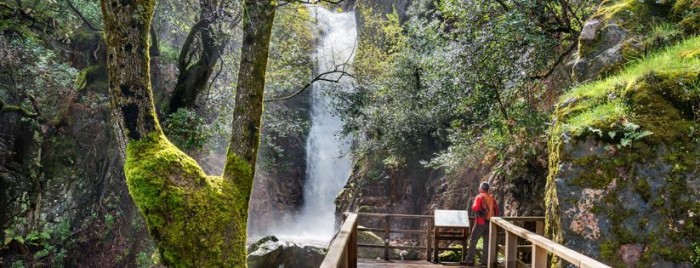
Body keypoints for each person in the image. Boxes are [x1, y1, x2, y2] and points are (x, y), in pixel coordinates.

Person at [464, 181, 499, 266]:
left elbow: (475, 208)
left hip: (480, 222)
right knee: (486, 242)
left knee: (473, 240)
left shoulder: (479, 197)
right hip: (489, 222)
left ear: (481, 188)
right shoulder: (492, 198)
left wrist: (475, 204)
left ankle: (469, 260)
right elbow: (497, 211)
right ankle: (484, 262)